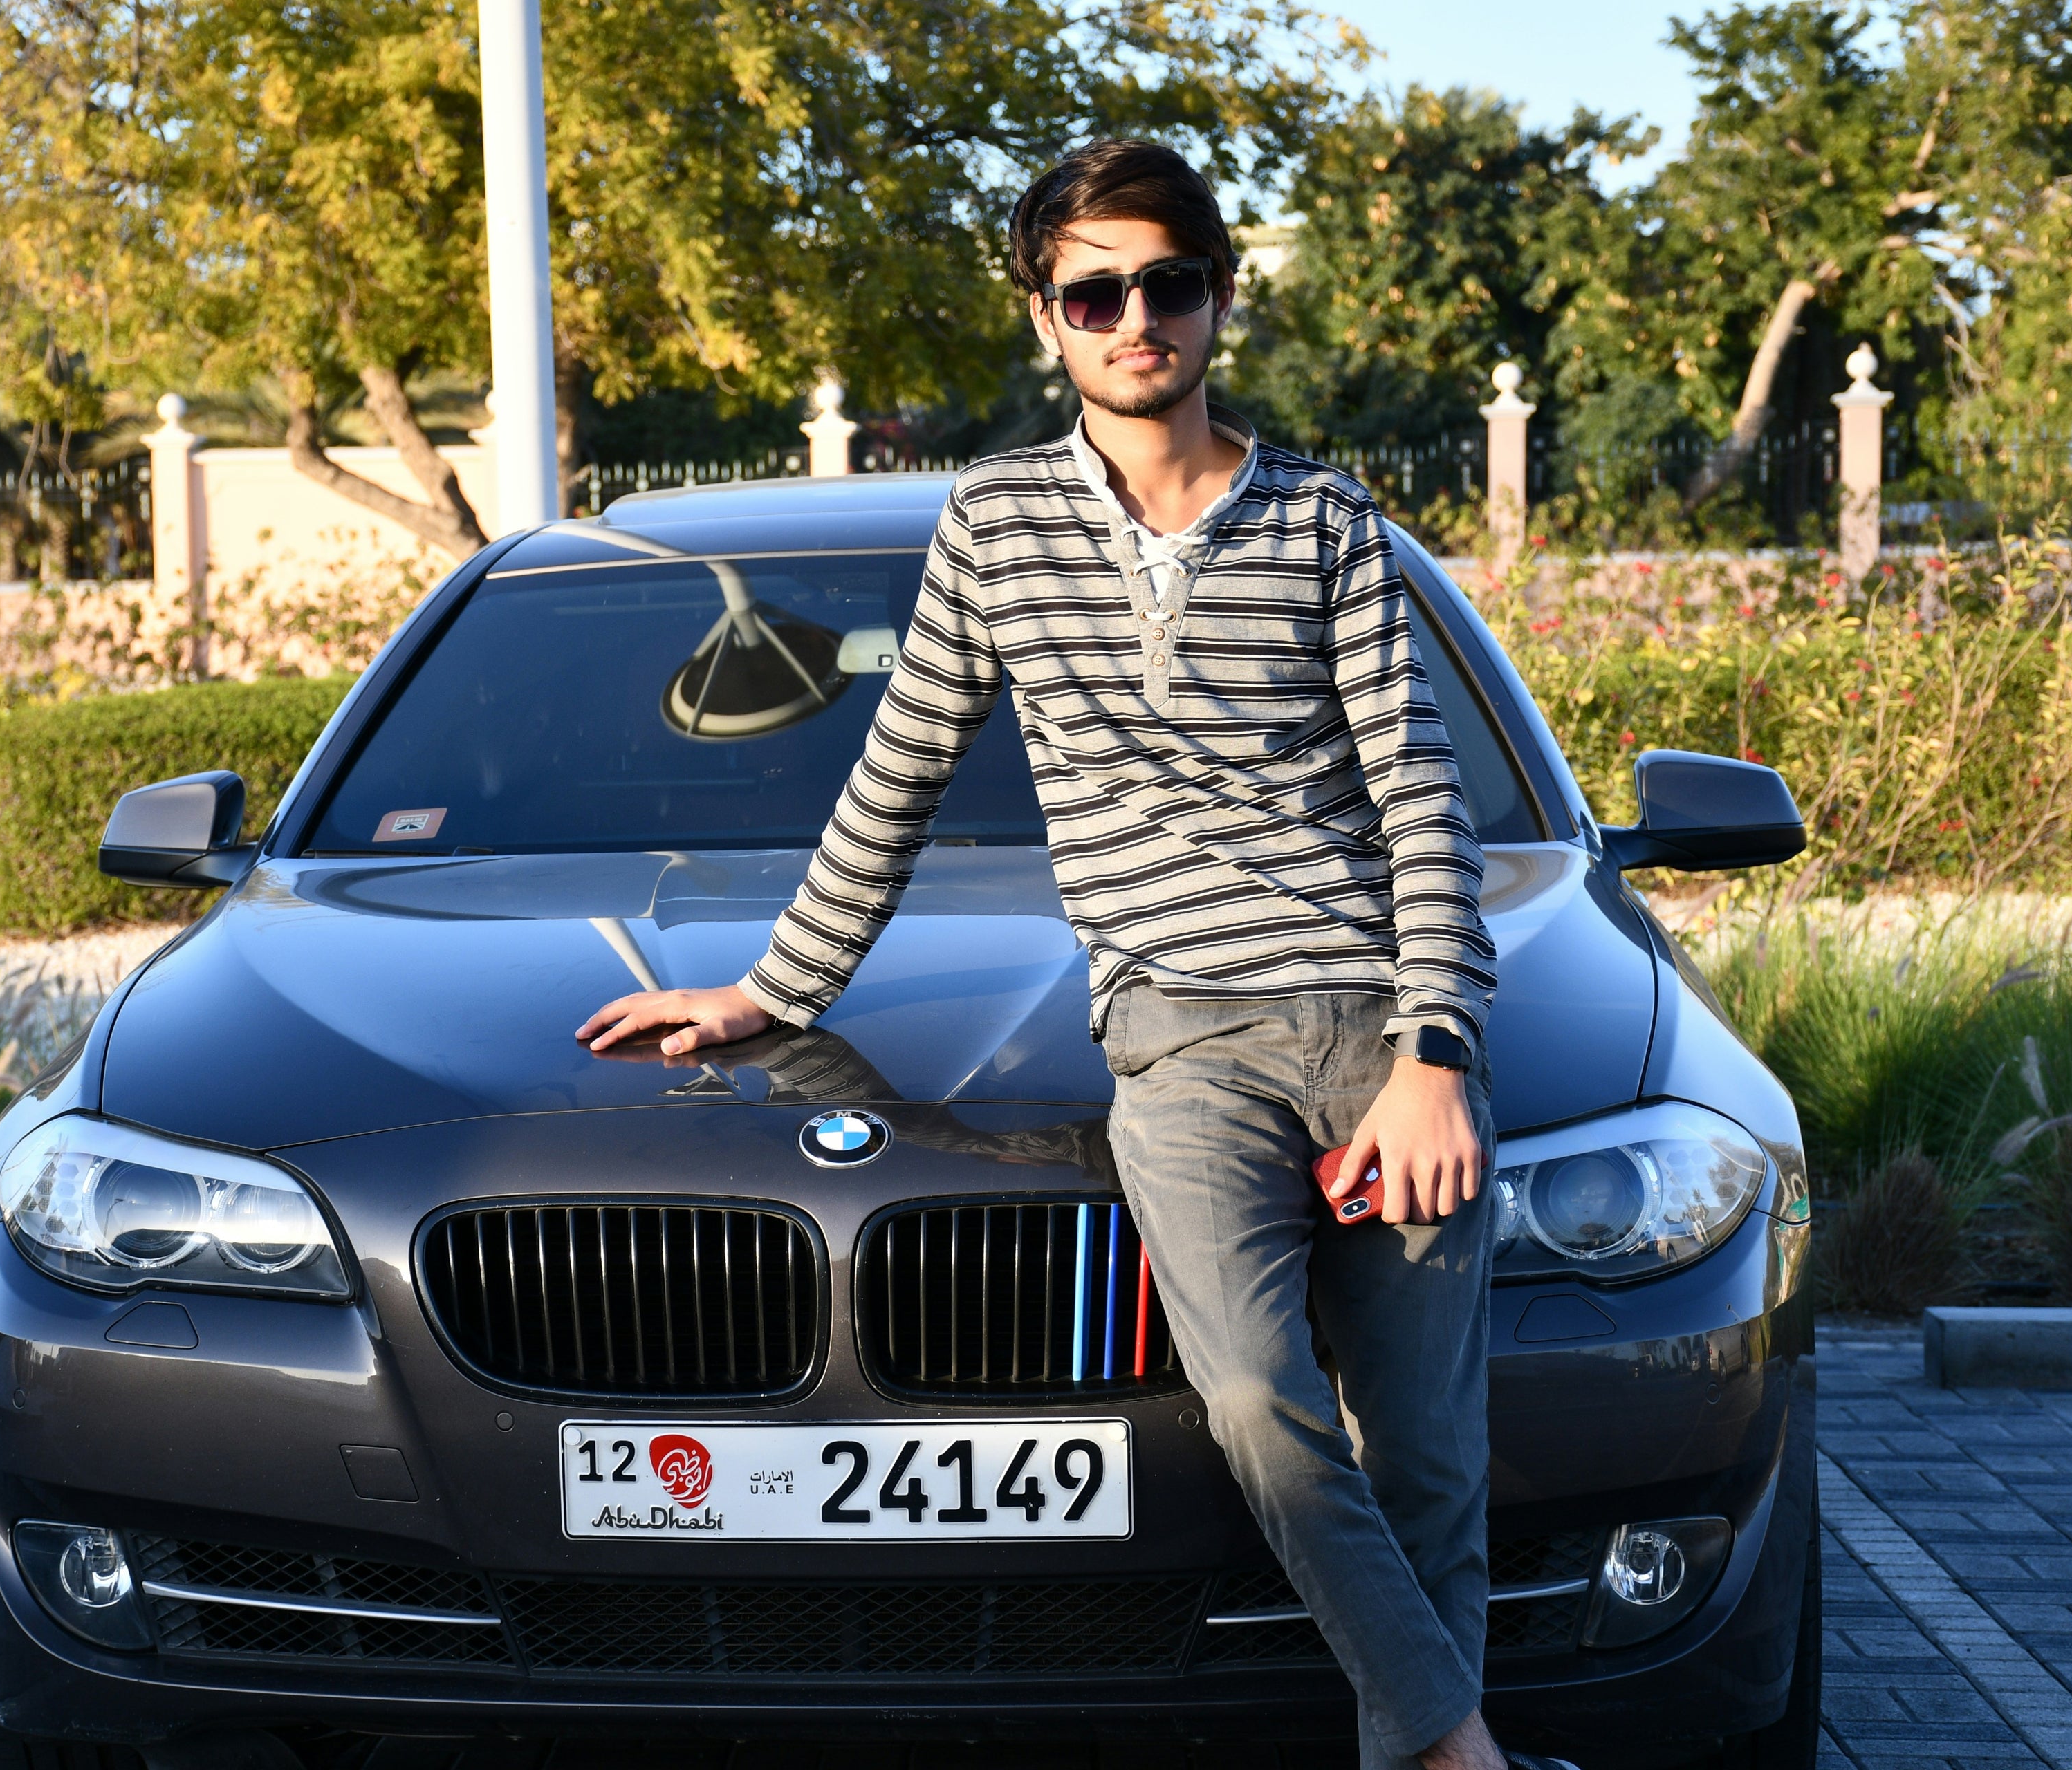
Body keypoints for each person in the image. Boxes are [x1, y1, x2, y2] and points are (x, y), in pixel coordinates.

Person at [577, 139, 1571, 1770]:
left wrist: (1436, 1056)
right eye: (1093, 290)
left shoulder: (1325, 517)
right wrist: (770, 989)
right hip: (1180, 1044)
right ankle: (1466, 1756)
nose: (1134, 318)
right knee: (1256, 1398)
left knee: (1432, 1463)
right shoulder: (996, 525)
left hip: (1375, 1023)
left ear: (1216, 297)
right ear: (1047, 315)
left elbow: (1420, 799)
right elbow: (893, 774)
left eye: (1164, 282)